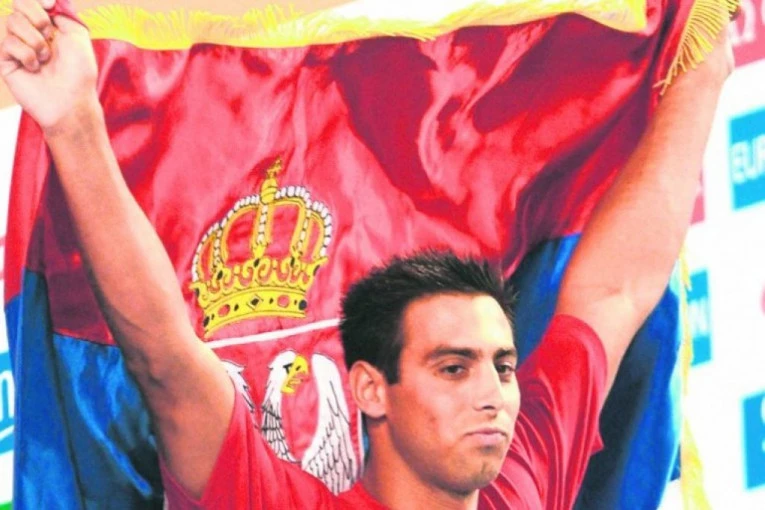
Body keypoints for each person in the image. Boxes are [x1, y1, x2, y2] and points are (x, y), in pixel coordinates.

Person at [0, 0, 733, 508]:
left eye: (503, 367)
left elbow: (614, 290)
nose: (493, 395)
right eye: (453, 368)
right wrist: (74, 124)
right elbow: (162, 355)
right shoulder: (271, 500)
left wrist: (702, 70)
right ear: (370, 390)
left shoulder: (522, 478)